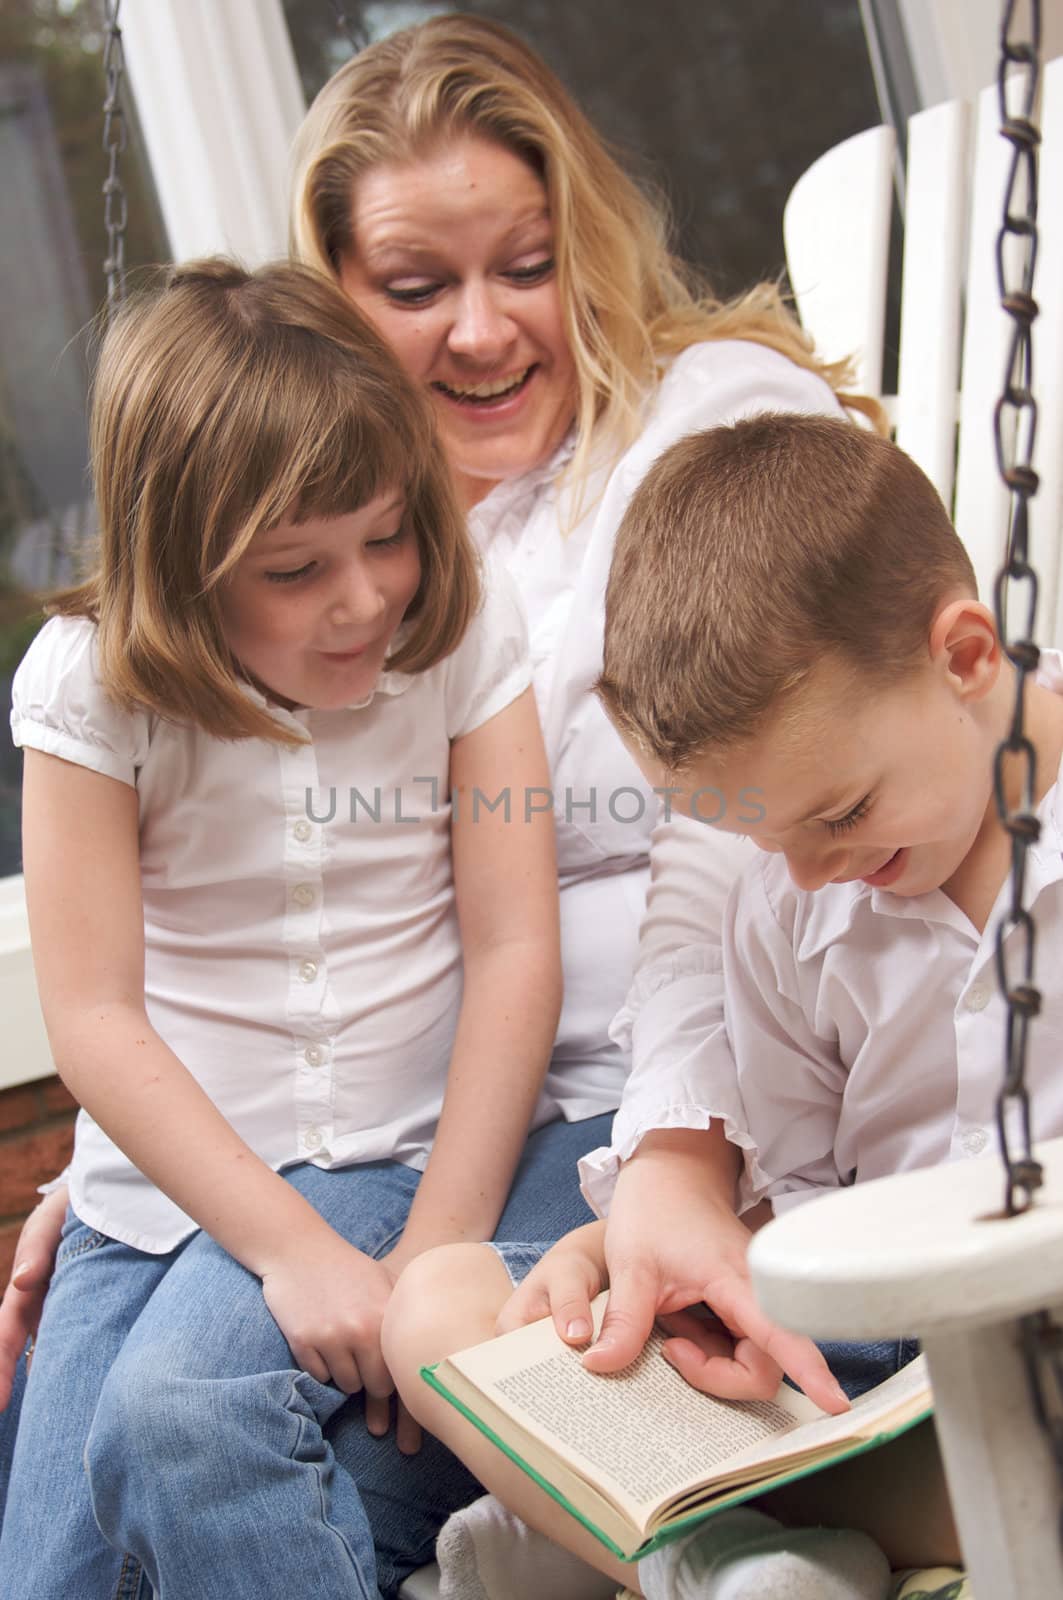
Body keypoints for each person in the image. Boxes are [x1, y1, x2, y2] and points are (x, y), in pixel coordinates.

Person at [0, 13, 879, 1592]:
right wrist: (129, 1176)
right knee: (92, 1507)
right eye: (413, 291)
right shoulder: (342, 528)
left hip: (630, 1112)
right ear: (330, 305)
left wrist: (651, 1163)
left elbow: (739, 844)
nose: (478, 334)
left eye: (523, 267)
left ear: (584, 246)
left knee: (192, 1436)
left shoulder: (701, 444)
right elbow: (187, 952)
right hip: (395, 1141)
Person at [383, 413, 1063, 1598]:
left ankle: (652, 1541)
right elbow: (793, 1197)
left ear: (964, 658)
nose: (806, 873)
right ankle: (725, 1556)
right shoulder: (795, 899)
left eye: (840, 812)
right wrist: (650, 1266)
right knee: (437, 1305)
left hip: (1034, 1349)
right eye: (768, 838)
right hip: (864, 1368)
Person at [0, 256, 567, 1600]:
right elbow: (91, 1014)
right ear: (184, 572)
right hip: (161, 1196)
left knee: (183, 1416)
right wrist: (290, 1253)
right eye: (294, 569)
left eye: (385, 536)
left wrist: (433, 1245)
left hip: (388, 1142)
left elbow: (512, 948)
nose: (364, 598)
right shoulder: (89, 687)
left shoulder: (461, 632)